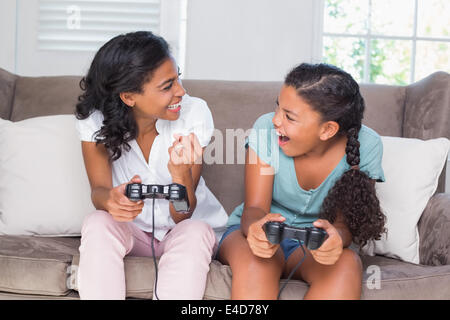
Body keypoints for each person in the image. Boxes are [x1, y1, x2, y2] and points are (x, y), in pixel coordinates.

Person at [74, 31, 228, 300]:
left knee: (196, 230)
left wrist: (180, 176)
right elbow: (98, 192)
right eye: (167, 86)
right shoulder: (95, 121)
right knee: (98, 221)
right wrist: (112, 200)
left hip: (183, 231)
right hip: (133, 234)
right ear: (129, 97)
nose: (181, 90)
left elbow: (183, 214)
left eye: (177, 77)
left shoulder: (194, 113)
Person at [217, 63, 387, 300]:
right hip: (255, 234)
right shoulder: (266, 129)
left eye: (289, 116)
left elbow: (344, 225)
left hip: (312, 246)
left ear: (327, 130)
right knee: (257, 264)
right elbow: (254, 209)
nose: (276, 120)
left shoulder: (367, 146)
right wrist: (257, 230)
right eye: (278, 108)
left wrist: (336, 239)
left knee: (347, 264)